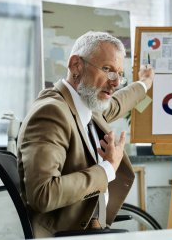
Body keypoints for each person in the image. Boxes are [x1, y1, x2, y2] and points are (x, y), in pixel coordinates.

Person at [16, 31, 154, 238]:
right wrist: (107, 169)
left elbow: (117, 104)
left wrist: (145, 83)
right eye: (107, 69)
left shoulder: (86, 106)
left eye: (119, 74)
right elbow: (42, 194)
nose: (115, 82)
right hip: (69, 235)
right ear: (76, 66)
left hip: (90, 229)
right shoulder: (52, 112)